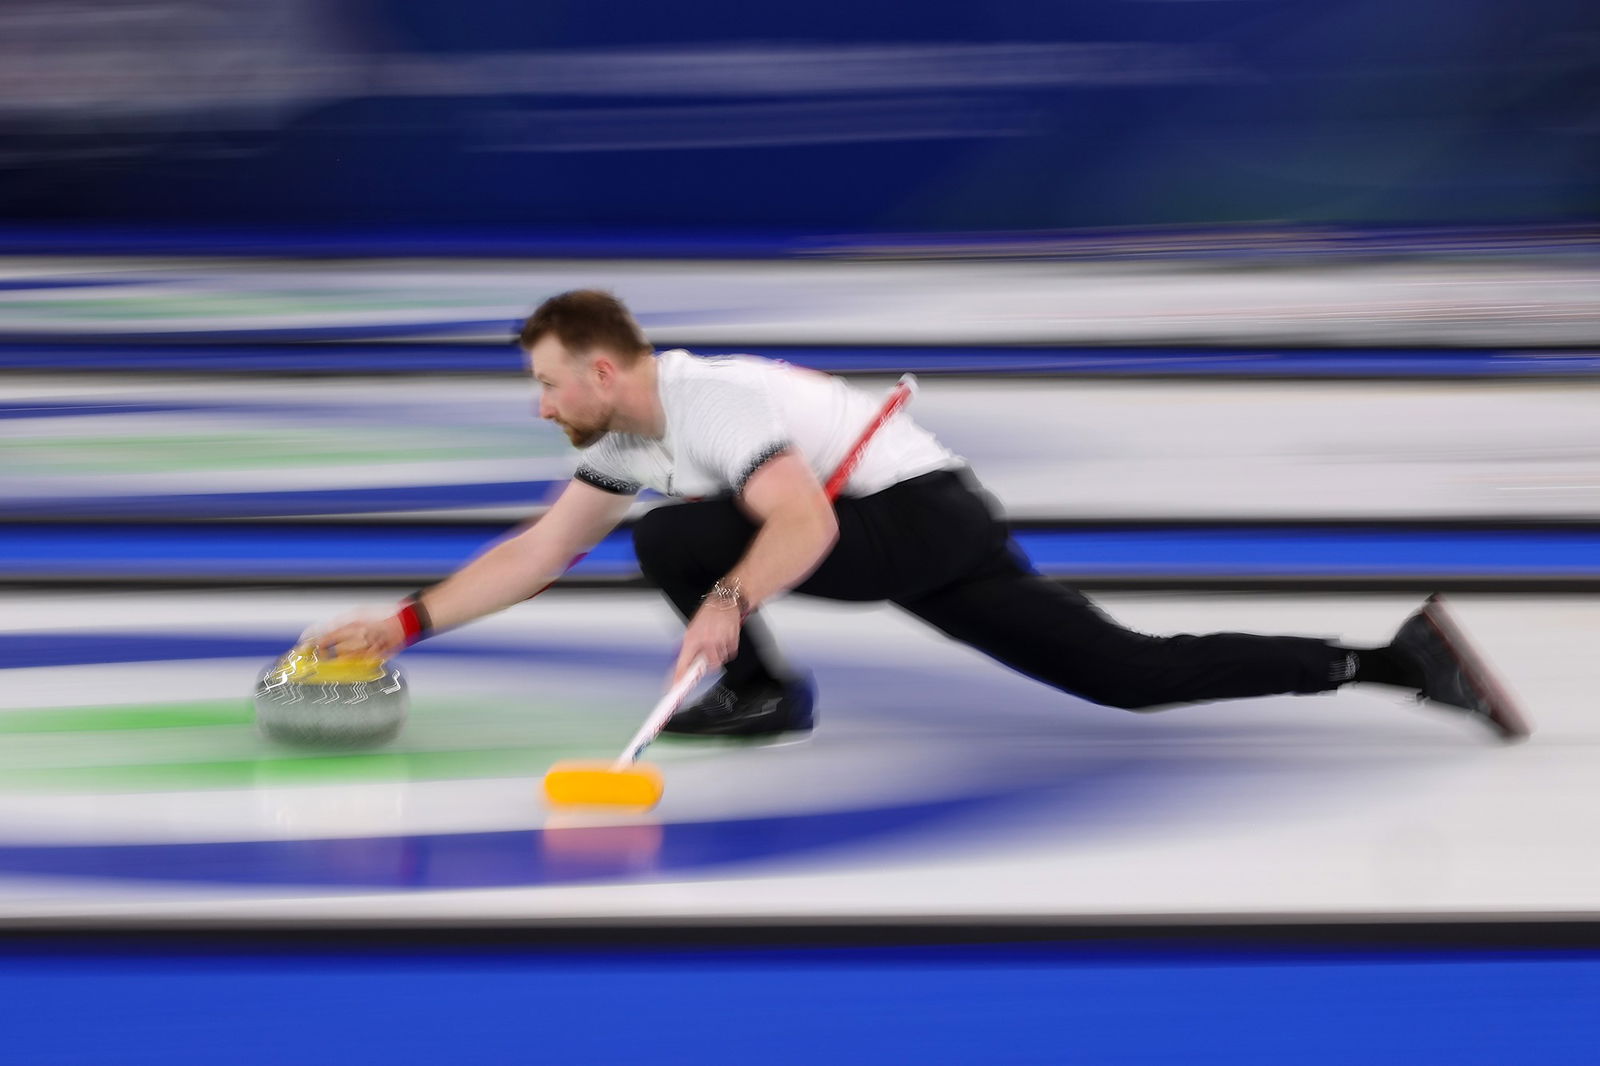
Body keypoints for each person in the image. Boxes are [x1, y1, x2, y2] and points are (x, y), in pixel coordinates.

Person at [313, 290, 1528, 742]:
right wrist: (404, 625)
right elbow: (542, 548)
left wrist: (728, 604)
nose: (539, 406)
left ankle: (759, 692)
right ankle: (1396, 660)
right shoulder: (626, 434)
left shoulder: (708, 401)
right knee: (1127, 676)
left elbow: (804, 529)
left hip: (913, 514)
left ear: (601, 367)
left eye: (545, 383)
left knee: (678, 539)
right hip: (914, 526)